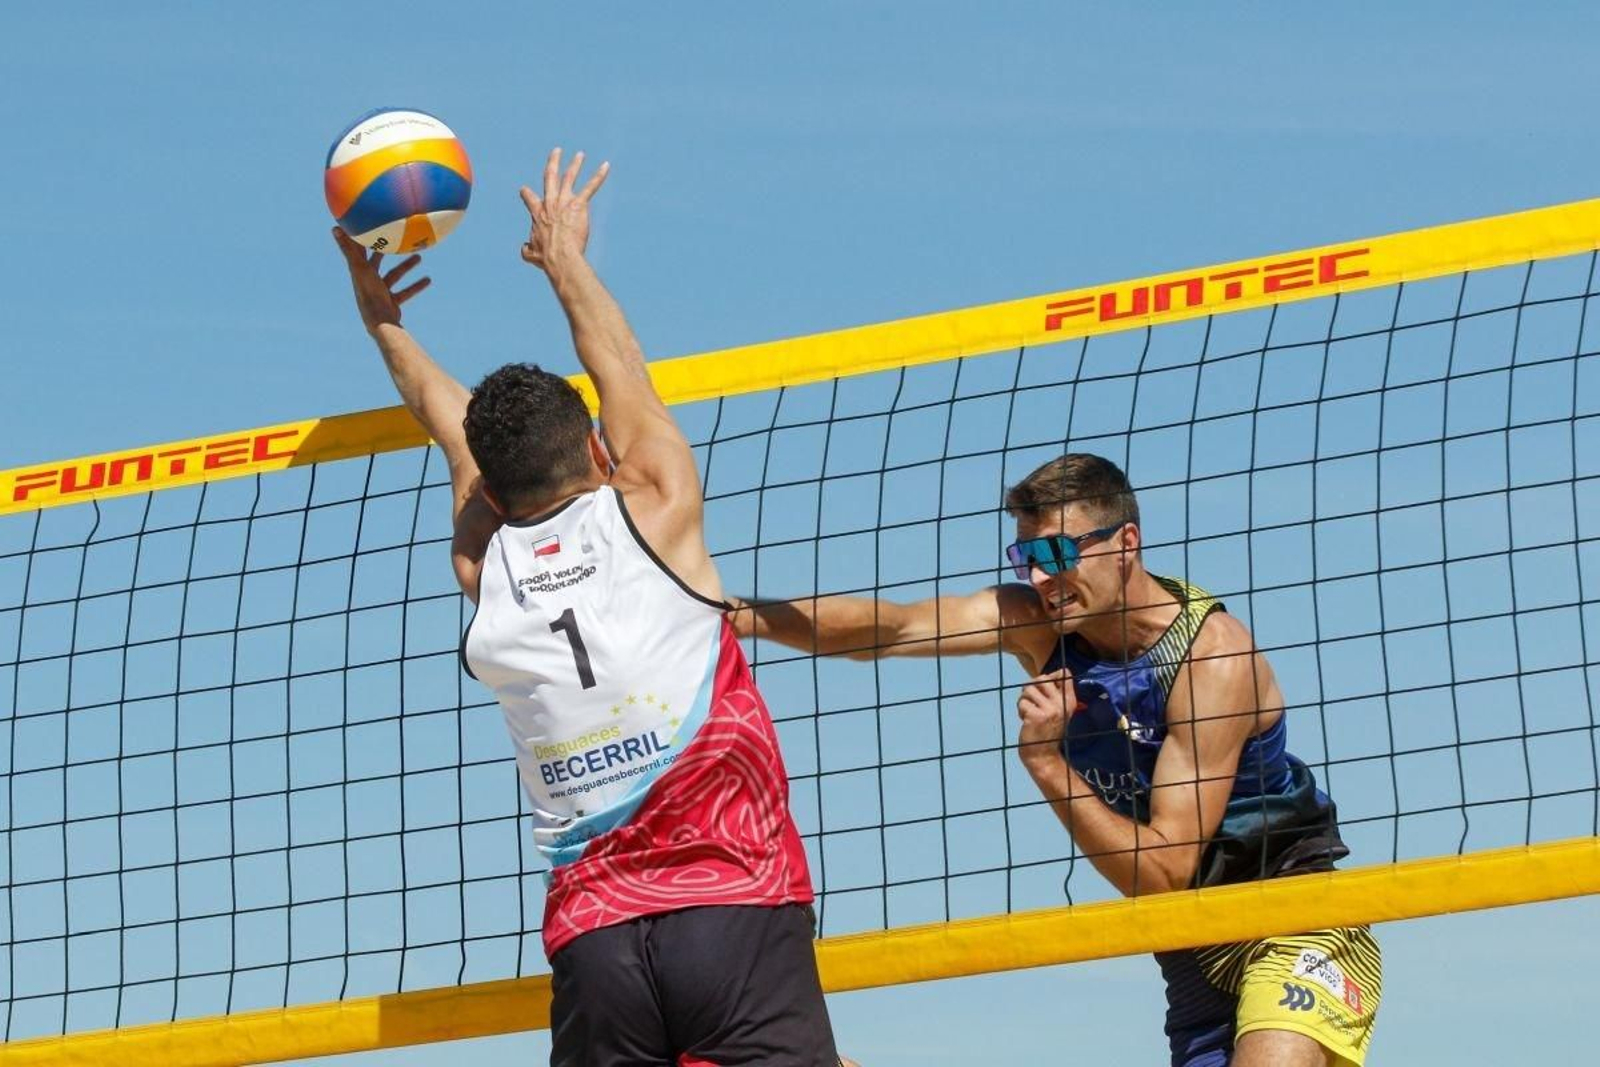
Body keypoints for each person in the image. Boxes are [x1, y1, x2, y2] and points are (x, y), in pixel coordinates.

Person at [334, 148, 842, 1067]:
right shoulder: (654, 506)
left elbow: (448, 420)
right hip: (731, 904)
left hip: (597, 938)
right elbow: (620, 363)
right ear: (599, 452)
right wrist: (566, 258)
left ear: (487, 485)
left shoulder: (483, 564)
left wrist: (384, 321)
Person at [733, 453, 1380, 1067]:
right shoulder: (1038, 624)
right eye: (1027, 556)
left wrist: (1046, 761)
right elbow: (894, 628)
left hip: (1290, 914)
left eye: (1059, 553)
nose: (1041, 577)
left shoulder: (1209, 658)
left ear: (1126, 541)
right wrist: (742, 618)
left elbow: (1162, 870)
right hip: (1191, 946)